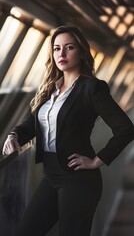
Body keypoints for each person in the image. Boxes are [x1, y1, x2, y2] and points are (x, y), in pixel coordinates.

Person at [2, 25, 134, 236]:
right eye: (56, 48)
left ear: (81, 52)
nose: (61, 54)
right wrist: (13, 135)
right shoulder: (50, 89)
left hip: (79, 180)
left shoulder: (92, 88)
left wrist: (97, 160)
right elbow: (31, 124)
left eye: (69, 47)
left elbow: (126, 128)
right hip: (50, 175)